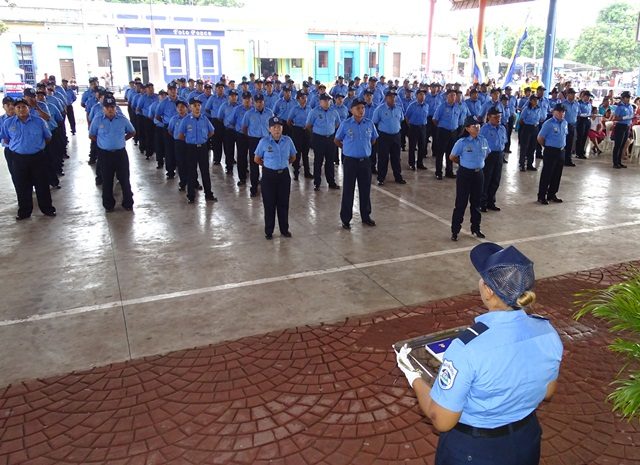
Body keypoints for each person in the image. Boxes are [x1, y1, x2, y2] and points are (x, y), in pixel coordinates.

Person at [396, 241, 563, 465]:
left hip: (474, 451)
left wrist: (413, 376)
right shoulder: (548, 332)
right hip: (525, 440)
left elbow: (442, 420)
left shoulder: (467, 348)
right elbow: (548, 391)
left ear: (488, 290)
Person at [0, 98, 56, 219]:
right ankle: (24, 212)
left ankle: (47, 209)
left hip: (37, 157)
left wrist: (36, 147)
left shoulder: (39, 121)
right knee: (22, 185)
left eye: (24, 107)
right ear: (15, 109)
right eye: (18, 107)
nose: (21, 109)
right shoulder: (8, 123)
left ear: (28, 108)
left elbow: (47, 137)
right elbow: (5, 138)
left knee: (42, 184)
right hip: (18, 159)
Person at [334, 99, 378, 230]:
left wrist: (364, 149)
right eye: (358, 108)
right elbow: (337, 140)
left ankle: (366, 216)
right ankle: (346, 219)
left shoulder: (369, 123)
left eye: (363, 108)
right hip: (350, 162)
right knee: (348, 190)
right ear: (351, 110)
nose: (361, 110)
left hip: (365, 161)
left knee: (365, 189)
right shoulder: (346, 124)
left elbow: (373, 139)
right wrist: (347, 149)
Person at [89, 96, 136, 212]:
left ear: (115, 108)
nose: (110, 109)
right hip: (105, 155)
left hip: (120, 154)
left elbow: (132, 132)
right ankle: (108, 205)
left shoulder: (122, 119)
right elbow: (92, 135)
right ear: (103, 108)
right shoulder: (98, 119)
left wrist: (122, 140)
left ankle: (128, 203)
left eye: (112, 107)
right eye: (107, 107)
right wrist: (103, 143)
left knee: (124, 179)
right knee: (107, 180)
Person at [254, 116, 296, 240]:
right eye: (274, 127)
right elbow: (257, 159)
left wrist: (283, 164)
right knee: (269, 204)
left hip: (283, 176)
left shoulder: (288, 140)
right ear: (269, 129)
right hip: (269, 176)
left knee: (283, 203)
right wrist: (268, 165)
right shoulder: (264, 142)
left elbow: (293, 156)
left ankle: (284, 229)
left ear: (282, 128)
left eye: (279, 127)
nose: (277, 129)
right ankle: (269, 231)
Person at [449, 116, 489, 241]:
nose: (477, 127)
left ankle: (476, 228)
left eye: (478, 125)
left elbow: (486, 154)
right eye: (474, 126)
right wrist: (464, 163)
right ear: (467, 128)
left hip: (479, 174)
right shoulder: (462, 142)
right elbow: (452, 157)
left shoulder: (483, 140)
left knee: (476, 203)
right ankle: (455, 230)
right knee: (461, 203)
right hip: (465, 175)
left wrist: (477, 164)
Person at [178, 98, 217, 204]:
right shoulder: (186, 120)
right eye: (194, 105)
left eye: (199, 105)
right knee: (191, 172)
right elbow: (181, 135)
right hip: (191, 148)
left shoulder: (204, 119)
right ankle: (191, 196)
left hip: (203, 148)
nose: (197, 107)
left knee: (205, 172)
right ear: (190, 107)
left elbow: (212, 131)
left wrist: (203, 139)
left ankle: (208, 194)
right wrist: (190, 141)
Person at [306, 93, 341, 191]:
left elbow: (337, 124)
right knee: (318, 161)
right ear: (320, 102)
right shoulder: (314, 112)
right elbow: (308, 125)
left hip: (330, 139)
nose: (327, 102)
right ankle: (317, 183)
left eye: (328, 100)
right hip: (319, 139)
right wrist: (317, 133)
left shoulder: (334, 111)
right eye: (325, 100)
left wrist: (329, 131)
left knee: (330, 161)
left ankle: (331, 182)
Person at [242, 94, 274, 197]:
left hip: (266, 140)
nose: (259, 104)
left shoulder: (269, 113)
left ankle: (266, 186)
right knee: (254, 164)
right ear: (254, 102)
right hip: (254, 141)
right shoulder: (248, 114)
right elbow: (244, 128)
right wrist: (250, 136)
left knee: (267, 163)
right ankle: (254, 188)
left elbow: (273, 127)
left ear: (264, 102)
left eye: (261, 102)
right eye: (257, 102)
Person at [372, 89, 406, 186]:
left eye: (394, 97)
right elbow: (374, 122)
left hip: (396, 136)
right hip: (384, 137)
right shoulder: (380, 109)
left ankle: (398, 177)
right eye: (390, 97)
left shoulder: (398, 108)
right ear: (386, 98)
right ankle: (381, 178)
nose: (393, 99)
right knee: (383, 158)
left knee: (396, 157)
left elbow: (401, 120)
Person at [537, 104, 568, 205]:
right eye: (559, 112)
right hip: (551, 151)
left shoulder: (565, 123)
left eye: (563, 112)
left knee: (557, 174)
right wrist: (547, 146)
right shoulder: (548, 124)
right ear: (554, 112)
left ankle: (552, 194)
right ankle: (542, 196)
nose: (561, 114)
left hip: (561, 151)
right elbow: (540, 138)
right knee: (547, 174)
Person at [480, 107, 507, 212]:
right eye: (495, 117)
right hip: (489, 156)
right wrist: (484, 154)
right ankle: (482, 202)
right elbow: (481, 143)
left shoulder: (502, 128)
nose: (498, 119)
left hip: (499, 155)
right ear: (489, 117)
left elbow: (504, 142)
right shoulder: (484, 129)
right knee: (486, 179)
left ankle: (491, 201)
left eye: (499, 117)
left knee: (496, 179)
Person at [432, 89, 462, 180]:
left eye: (454, 95)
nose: (453, 97)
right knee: (440, 153)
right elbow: (435, 119)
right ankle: (438, 172)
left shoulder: (457, 107)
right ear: (447, 96)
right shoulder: (442, 106)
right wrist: (442, 127)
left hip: (453, 132)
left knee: (451, 152)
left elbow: (459, 119)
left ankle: (449, 171)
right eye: (451, 95)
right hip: (443, 132)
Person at [287, 90, 312, 180]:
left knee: (306, 153)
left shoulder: (309, 108)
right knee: (297, 153)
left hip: (307, 131)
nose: (304, 99)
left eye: (305, 97)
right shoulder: (295, 109)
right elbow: (289, 121)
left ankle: (307, 172)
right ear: (298, 99)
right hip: (297, 131)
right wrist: (294, 129)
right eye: (302, 98)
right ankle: (296, 172)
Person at [405, 89, 429, 171]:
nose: (422, 96)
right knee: (412, 146)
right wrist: (411, 125)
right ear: (416, 96)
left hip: (423, 127)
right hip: (414, 127)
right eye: (420, 94)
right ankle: (411, 163)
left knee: (422, 146)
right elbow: (407, 117)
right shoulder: (412, 105)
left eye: (424, 95)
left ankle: (420, 163)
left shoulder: (426, 105)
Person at [518, 95, 542, 172]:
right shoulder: (526, 109)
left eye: (537, 100)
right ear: (531, 101)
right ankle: (522, 164)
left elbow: (539, 118)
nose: (536, 101)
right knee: (524, 147)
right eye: (534, 100)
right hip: (527, 128)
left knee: (532, 147)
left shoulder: (538, 109)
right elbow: (521, 120)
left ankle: (529, 164)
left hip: (535, 128)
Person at [611, 91, 633, 169]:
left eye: (629, 97)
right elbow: (615, 118)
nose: (628, 99)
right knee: (618, 145)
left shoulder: (630, 106)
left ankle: (619, 162)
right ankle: (615, 162)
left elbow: (632, 115)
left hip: (627, 126)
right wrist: (624, 117)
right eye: (627, 97)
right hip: (620, 126)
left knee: (622, 145)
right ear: (623, 98)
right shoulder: (619, 107)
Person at [574, 91, 593, 161]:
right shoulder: (579, 103)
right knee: (580, 137)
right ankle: (578, 152)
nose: (588, 98)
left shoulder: (589, 104)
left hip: (587, 121)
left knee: (585, 137)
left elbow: (590, 112)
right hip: (581, 120)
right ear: (583, 96)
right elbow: (578, 113)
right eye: (587, 96)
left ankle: (582, 151)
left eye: (589, 97)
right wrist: (587, 115)